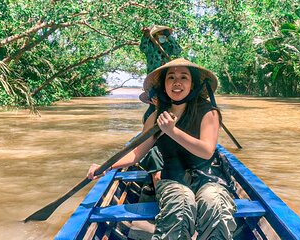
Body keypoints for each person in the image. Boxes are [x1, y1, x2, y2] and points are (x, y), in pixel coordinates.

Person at [87, 58, 237, 239]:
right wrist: (106, 166)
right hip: (172, 179)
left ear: (192, 84)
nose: (177, 82)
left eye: (184, 77)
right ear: (164, 85)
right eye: (171, 77)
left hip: (208, 178)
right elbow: (135, 154)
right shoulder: (156, 117)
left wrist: (172, 131)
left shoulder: (209, 112)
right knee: (181, 202)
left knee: (215, 203)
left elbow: (206, 151)